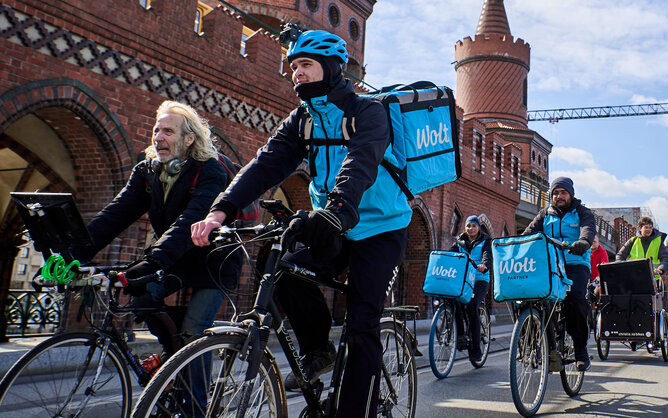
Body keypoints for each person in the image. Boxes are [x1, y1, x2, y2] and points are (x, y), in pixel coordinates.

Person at [191, 29, 410, 416]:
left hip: (380, 227)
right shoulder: (302, 120)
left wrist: (338, 208)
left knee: (361, 324)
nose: (297, 73)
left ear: (331, 67)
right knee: (284, 270)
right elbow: (265, 165)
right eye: (293, 66)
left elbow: (360, 162)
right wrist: (219, 211)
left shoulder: (367, 112)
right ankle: (318, 350)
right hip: (334, 222)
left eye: (305, 65)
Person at [71, 101, 242, 414]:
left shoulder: (211, 171)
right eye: (156, 130)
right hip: (176, 255)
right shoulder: (148, 170)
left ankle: (196, 408)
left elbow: (188, 221)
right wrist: (72, 255)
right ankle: (174, 359)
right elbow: (116, 214)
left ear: (189, 139)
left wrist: (150, 263)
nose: (158, 137)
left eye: (167, 131)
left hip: (213, 261)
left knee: (193, 329)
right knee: (143, 296)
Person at [523, 176, 595, 371]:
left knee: (576, 298)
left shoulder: (582, 212)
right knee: (529, 296)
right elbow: (528, 234)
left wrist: (583, 242)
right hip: (549, 264)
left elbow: (588, 229)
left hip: (575, 264)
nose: (559, 196)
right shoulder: (545, 214)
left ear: (570, 194)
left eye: (563, 192)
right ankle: (542, 343)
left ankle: (580, 350)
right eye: (555, 193)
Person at [450, 215, 492, 362]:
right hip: (464, 279)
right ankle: (460, 335)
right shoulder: (460, 241)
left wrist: (484, 265)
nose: (471, 228)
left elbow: (487, 255)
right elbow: (450, 254)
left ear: (478, 227)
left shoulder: (485, 240)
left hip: (479, 279)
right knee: (453, 300)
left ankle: (475, 350)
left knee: (472, 306)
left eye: (474, 226)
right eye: (468, 226)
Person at [615, 216, 668, 293]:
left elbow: (666, 258)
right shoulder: (633, 241)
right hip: (633, 279)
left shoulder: (658, 242)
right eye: (646, 227)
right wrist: (623, 268)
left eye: (650, 227)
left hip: (652, 279)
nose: (648, 230)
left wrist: (661, 269)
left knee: (652, 303)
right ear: (640, 228)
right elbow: (620, 256)